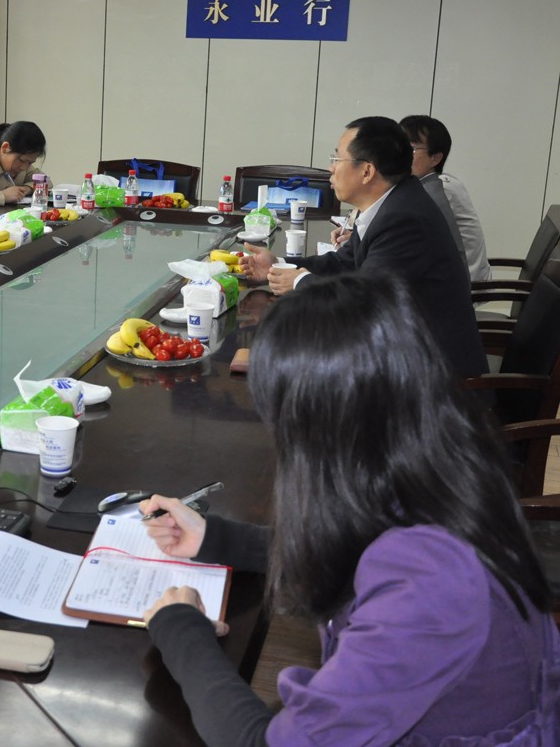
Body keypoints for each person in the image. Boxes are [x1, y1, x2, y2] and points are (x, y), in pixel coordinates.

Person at [140, 274, 558, 747]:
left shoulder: (429, 587)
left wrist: (181, 628)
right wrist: (217, 538)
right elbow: (356, 544)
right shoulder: (434, 468)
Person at [241, 115, 486, 377]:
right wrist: (278, 266)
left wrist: (300, 282)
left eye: (337, 159)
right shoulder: (391, 202)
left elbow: (365, 306)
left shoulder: (404, 219)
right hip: (403, 352)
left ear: (367, 171)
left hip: (431, 376)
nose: (330, 169)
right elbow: (343, 262)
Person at [401, 114, 492, 281]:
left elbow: (407, 238)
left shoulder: (441, 190)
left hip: (463, 284)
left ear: (435, 158)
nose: (400, 154)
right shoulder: (423, 185)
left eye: (411, 148)